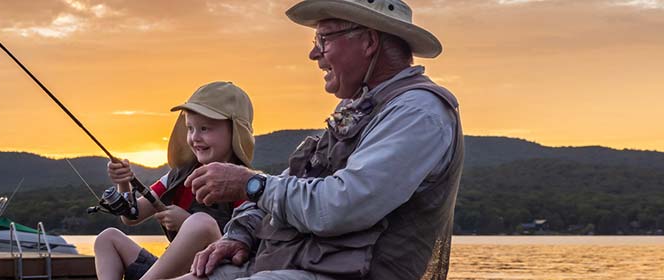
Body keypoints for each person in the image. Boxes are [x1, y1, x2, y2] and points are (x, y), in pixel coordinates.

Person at [178, 0, 463, 279]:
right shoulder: (361, 107)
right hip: (303, 266)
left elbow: (339, 207)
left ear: (369, 42)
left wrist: (250, 184)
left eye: (324, 38)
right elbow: (296, 182)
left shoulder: (417, 112)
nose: (314, 54)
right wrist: (241, 235)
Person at [95, 81, 256, 280]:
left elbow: (244, 252)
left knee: (201, 223)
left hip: (214, 273)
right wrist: (124, 182)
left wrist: (186, 221)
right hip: (169, 273)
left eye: (205, 128)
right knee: (107, 238)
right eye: (190, 128)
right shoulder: (178, 176)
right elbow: (131, 217)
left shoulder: (247, 185)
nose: (195, 137)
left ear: (235, 132)